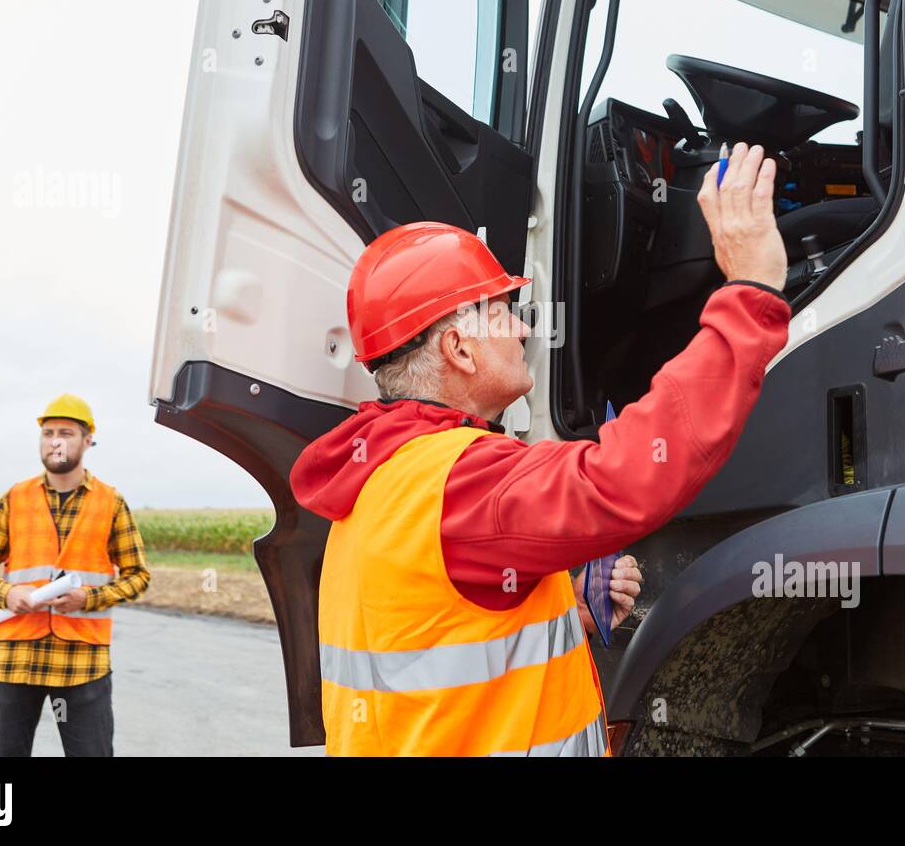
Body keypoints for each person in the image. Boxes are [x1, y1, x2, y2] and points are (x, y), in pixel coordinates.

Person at [291, 143, 791, 756]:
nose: (526, 329)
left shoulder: (387, 479)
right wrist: (751, 289)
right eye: (504, 312)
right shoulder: (459, 483)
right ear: (460, 349)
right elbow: (624, 479)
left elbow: (435, 651)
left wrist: (560, 611)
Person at [0, 394, 151, 756]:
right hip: (16, 658)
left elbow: (137, 576)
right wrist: (7, 594)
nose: (55, 441)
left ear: (87, 441)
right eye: (48, 433)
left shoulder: (110, 503)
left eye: (66, 432)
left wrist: (90, 598)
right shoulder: (14, 499)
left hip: (82, 660)